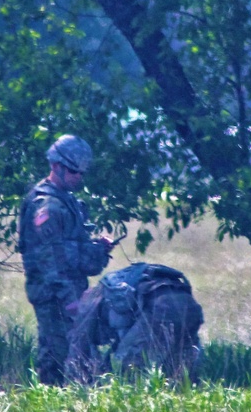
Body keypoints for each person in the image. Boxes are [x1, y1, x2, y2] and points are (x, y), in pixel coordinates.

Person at [19, 134, 112, 384]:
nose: (78, 177)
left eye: (82, 172)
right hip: (56, 297)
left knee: (67, 357)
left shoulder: (67, 200)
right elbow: (51, 264)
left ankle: (60, 399)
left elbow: (71, 250)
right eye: (73, 171)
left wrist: (97, 249)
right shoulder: (47, 206)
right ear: (56, 166)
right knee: (65, 358)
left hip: (70, 292)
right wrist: (71, 302)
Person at [65, 263, 204, 383]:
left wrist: (76, 382)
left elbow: (78, 348)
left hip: (159, 309)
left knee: (128, 369)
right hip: (189, 306)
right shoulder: (109, 294)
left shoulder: (88, 304)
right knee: (180, 366)